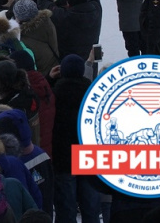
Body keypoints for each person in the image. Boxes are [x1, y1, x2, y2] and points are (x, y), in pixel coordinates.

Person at [49, 54, 102, 223]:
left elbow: (40, 97)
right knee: (91, 207)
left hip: (63, 158)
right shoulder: (93, 93)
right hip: (88, 156)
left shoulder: (54, 93)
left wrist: (49, 79)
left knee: (66, 208)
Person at [37, 0, 102, 60]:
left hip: (68, 61)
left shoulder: (62, 16)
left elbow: (43, 2)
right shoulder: (96, 8)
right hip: (90, 58)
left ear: (67, 4)